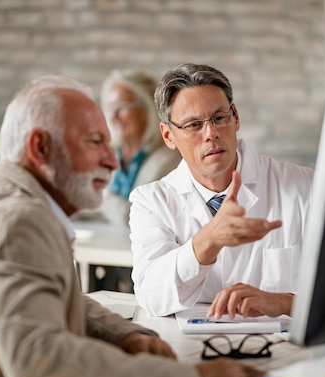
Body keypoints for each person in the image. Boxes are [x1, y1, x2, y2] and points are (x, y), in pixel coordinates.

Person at [0, 75, 263, 377]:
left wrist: (123, 332)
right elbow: (39, 356)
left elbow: (52, 296)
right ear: (40, 148)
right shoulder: (21, 220)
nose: (111, 161)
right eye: (95, 143)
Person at [129, 63, 314, 319]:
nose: (211, 134)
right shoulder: (152, 201)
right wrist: (208, 241)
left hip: (286, 351)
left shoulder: (306, 187)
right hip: (195, 351)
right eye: (194, 124)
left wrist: (286, 303)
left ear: (235, 116)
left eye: (219, 118)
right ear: (168, 136)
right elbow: (152, 296)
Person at [76, 69, 181, 224]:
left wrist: (99, 200)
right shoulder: (114, 155)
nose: (113, 116)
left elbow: (132, 214)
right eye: (109, 109)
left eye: (121, 107)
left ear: (146, 110)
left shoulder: (168, 159)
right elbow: (81, 203)